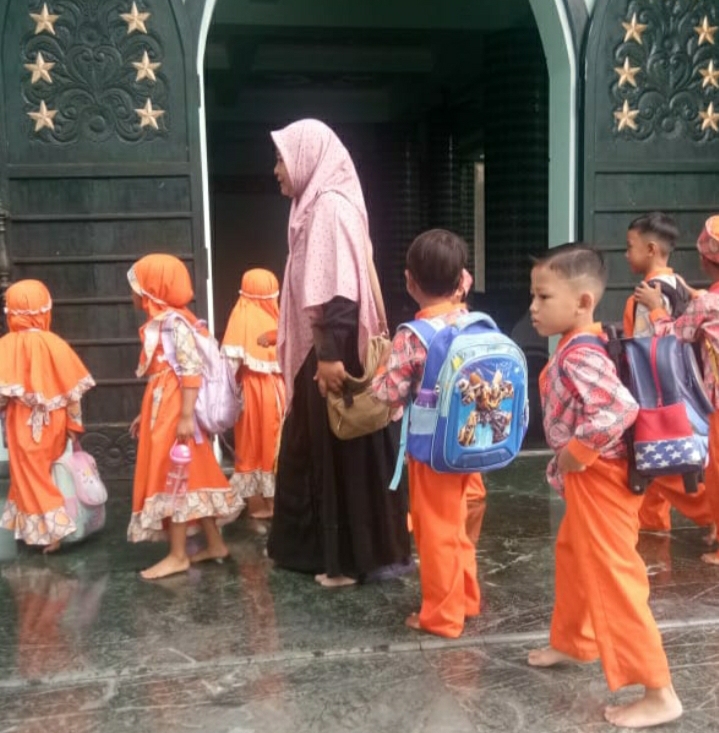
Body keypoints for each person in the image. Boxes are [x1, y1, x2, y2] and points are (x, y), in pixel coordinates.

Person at [528, 244, 682, 729]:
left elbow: (618, 409)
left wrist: (576, 452)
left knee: (616, 577)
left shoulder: (579, 354)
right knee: (574, 553)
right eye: (533, 295)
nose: (533, 307)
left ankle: (659, 691)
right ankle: (575, 641)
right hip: (591, 479)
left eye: (543, 296)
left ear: (583, 302)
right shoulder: (580, 344)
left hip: (600, 479)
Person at [266, 118, 410, 587]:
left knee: (337, 453)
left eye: (282, 159)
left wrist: (329, 356)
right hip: (328, 346)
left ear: (308, 158)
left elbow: (338, 291)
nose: (277, 170)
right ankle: (326, 553)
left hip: (334, 351)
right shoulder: (317, 206)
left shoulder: (328, 205)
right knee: (323, 451)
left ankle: (345, 561)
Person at [373, 229, 481, 638]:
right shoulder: (472, 322)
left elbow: (388, 393)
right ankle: (466, 599)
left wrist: (380, 365)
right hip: (472, 442)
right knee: (457, 524)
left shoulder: (412, 337)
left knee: (436, 531)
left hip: (432, 450)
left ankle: (442, 616)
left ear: (409, 281)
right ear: (462, 280)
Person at [127, 254, 243, 579]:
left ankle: (178, 555)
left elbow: (189, 370)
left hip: (174, 411)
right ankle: (215, 544)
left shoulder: (172, 323)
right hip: (168, 407)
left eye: (136, 285)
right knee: (191, 474)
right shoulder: (175, 321)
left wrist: (185, 416)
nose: (132, 292)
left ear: (153, 289)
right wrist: (145, 413)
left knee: (175, 476)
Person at [635, 215, 719, 566]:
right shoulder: (706, 299)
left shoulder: (705, 303)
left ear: (705, 259)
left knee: (716, 471)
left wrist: (656, 310)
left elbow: (673, 335)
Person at [0, 280, 95, 552]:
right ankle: (33, 528)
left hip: (23, 422)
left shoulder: (7, 346)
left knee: (30, 475)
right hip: (56, 422)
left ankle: (55, 531)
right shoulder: (56, 344)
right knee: (45, 474)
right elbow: (73, 392)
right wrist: (74, 424)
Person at [221, 268, 285, 519]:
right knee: (274, 444)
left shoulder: (242, 317)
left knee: (251, 443)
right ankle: (272, 503)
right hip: (278, 392)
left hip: (252, 392)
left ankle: (262, 504)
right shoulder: (278, 319)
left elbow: (229, 365)